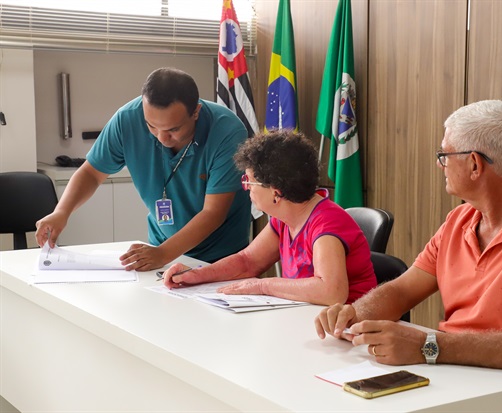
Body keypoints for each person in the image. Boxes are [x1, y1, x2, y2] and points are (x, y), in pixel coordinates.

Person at [315, 100, 502, 374]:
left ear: (475, 164)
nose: (441, 165)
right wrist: (353, 314)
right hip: (458, 375)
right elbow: (402, 290)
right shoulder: (459, 220)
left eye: (444, 155)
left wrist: (431, 346)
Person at [35, 67, 252, 271]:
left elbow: (213, 213)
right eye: (151, 126)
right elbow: (91, 173)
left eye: (173, 129)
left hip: (221, 257)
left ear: (195, 112)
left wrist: (163, 254)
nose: (161, 137)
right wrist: (62, 212)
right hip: (161, 252)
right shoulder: (127, 119)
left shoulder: (227, 132)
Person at [163, 130, 377, 305]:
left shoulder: (326, 223)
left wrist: (263, 286)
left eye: (249, 181)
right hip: (310, 320)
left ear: (276, 192)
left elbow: (331, 291)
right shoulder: (284, 219)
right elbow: (247, 262)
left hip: (351, 330)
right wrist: (196, 275)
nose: (245, 188)